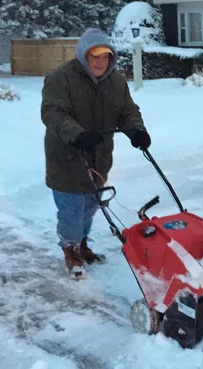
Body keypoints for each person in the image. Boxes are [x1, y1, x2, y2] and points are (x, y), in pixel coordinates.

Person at [40, 28, 152, 280]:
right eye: (95, 56)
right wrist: (77, 134)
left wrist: (136, 129)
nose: (101, 61)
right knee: (71, 209)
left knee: (91, 206)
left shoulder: (116, 82)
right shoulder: (61, 78)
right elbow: (52, 113)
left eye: (106, 56)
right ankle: (71, 250)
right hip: (67, 158)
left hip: (99, 158)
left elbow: (127, 110)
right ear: (83, 55)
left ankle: (82, 244)